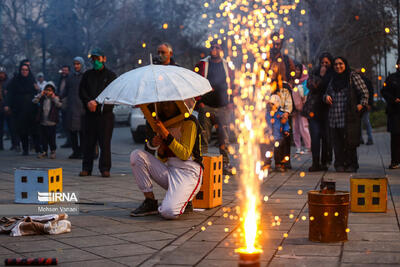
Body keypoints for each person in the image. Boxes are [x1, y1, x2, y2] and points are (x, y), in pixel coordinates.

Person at [130, 101, 203, 218]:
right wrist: (159, 146)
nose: (166, 107)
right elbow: (163, 159)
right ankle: (150, 201)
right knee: (136, 155)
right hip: (171, 170)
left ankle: (183, 199)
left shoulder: (189, 121)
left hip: (189, 172)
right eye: (163, 105)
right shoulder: (162, 123)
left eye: (169, 104)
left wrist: (166, 134)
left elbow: (184, 154)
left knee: (168, 211)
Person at [195, 40, 235, 175]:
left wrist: (232, 102)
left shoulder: (227, 65)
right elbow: (195, 82)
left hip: (223, 107)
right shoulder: (202, 64)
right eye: (212, 47)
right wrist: (199, 101)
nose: (214, 49)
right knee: (203, 136)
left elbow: (234, 84)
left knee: (224, 137)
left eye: (217, 47)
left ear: (221, 50)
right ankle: (202, 164)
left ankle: (225, 163)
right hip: (206, 106)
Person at [324, 57, 369, 172]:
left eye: (340, 64)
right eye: (335, 64)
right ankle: (339, 163)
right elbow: (326, 93)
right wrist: (326, 97)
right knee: (337, 143)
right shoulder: (333, 78)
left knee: (349, 142)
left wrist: (360, 105)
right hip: (334, 116)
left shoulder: (352, 76)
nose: (338, 66)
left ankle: (351, 164)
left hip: (348, 116)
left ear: (345, 64)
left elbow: (365, 92)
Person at [79, 48, 116, 177]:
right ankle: (86, 167)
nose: (95, 61)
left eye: (98, 58)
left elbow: (112, 96)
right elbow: (82, 92)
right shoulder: (87, 75)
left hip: (105, 116)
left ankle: (105, 168)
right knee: (88, 143)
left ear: (104, 59)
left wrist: (98, 105)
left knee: (105, 143)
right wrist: (89, 102)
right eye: (93, 59)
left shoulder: (111, 76)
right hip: (90, 114)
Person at [144, 43, 179, 155]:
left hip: (172, 112)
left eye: (163, 52)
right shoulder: (151, 69)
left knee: (169, 144)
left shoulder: (176, 70)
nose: (160, 55)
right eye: (158, 52)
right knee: (151, 141)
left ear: (170, 53)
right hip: (154, 111)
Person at [270, 32, 295, 169]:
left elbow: (294, 72)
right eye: (273, 43)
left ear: (281, 44)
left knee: (285, 131)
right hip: (270, 94)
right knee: (268, 133)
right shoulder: (265, 58)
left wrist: (290, 83)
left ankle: (285, 160)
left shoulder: (286, 59)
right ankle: (267, 162)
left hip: (285, 96)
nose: (275, 45)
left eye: (278, 43)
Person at [4, 63, 41, 155]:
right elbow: (10, 93)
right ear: (20, 71)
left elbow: (38, 94)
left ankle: (37, 148)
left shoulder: (32, 80)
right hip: (19, 108)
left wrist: (38, 89)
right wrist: (7, 105)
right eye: (23, 70)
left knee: (34, 130)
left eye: (26, 70)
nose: (24, 71)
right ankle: (25, 149)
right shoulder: (15, 81)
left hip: (31, 108)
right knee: (22, 130)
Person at [312, 52, 334, 166]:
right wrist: (320, 76)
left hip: (328, 110)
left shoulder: (333, 75)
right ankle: (315, 162)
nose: (324, 65)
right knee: (315, 136)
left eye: (327, 62)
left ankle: (325, 160)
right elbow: (312, 88)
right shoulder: (315, 73)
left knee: (326, 136)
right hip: (315, 109)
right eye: (322, 63)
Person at [32, 82, 62, 159]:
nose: (48, 92)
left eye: (50, 90)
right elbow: (34, 101)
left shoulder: (55, 98)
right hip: (43, 121)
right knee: (43, 138)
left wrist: (53, 97)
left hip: (52, 122)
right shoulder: (42, 98)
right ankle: (44, 151)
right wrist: (40, 94)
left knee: (52, 138)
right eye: (46, 90)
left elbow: (59, 105)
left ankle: (53, 151)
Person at [261, 94, 290, 172]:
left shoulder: (281, 114)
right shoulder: (267, 114)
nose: (271, 106)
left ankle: (278, 164)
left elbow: (285, 123)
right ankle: (267, 164)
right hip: (268, 136)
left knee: (278, 151)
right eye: (270, 104)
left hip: (278, 136)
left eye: (273, 104)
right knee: (267, 151)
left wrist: (286, 130)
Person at [64, 57, 86, 159]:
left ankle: (82, 151)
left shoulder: (85, 76)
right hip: (71, 107)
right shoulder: (70, 77)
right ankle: (75, 151)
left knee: (82, 132)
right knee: (72, 131)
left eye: (78, 64)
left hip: (82, 107)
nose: (76, 66)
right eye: (75, 64)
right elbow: (65, 91)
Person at [381, 58, 400, 169]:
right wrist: (393, 99)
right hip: (394, 112)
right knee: (395, 137)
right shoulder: (391, 78)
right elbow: (384, 91)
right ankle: (395, 161)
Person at [291, 63, 311, 154]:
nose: (297, 71)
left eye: (299, 70)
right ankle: (298, 146)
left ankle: (308, 146)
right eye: (295, 69)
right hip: (294, 109)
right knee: (295, 128)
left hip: (303, 108)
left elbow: (307, 94)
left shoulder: (306, 81)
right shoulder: (292, 81)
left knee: (304, 127)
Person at [357, 69, 374, 145]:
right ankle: (365, 138)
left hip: (363, 105)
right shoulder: (366, 81)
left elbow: (370, 92)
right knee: (364, 122)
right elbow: (371, 92)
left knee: (364, 122)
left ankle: (366, 138)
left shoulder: (365, 81)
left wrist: (369, 104)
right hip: (362, 105)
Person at [58, 65, 71, 147]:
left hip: (69, 104)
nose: (64, 72)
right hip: (62, 103)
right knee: (65, 123)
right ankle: (68, 141)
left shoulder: (70, 79)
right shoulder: (60, 79)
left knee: (69, 124)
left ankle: (70, 141)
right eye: (63, 70)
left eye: (66, 70)